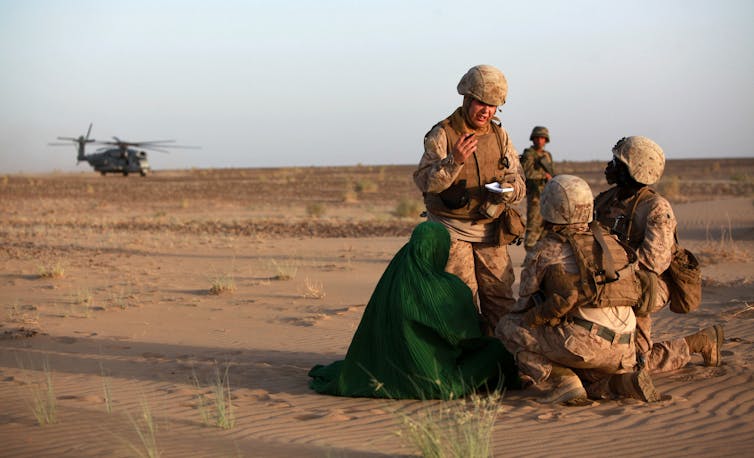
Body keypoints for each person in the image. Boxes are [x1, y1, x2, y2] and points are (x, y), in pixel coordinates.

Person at [308, 221, 520, 400]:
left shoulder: (392, 281)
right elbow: (466, 338)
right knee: (497, 351)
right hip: (435, 382)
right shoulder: (448, 289)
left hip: (383, 372)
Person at [495, 175, 660, 404]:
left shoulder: (548, 248)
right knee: (588, 366)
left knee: (507, 327)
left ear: (550, 206)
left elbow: (524, 303)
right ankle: (621, 382)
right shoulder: (612, 241)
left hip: (585, 345)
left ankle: (561, 380)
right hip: (626, 348)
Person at [594, 136, 723, 374]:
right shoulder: (604, 201)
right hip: (611, 280)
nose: (610, 166)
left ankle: (697, 343)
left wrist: (611, 277)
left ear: (635, 169)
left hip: (647, 284)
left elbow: (654, 261)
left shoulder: (656, 207)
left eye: (617, 162)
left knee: (636, 365)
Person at [413, 64, 526, 334]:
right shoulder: (443, 134)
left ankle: (499, 361)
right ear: (467, 98)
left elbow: (518, 179)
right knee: (460, 300)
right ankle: (464, 363)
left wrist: (509, 189)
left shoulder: (500, 135)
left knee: (500, 300)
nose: (486, 111)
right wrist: (455, 162)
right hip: (454, 231)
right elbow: (425, 182)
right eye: (481, 103)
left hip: (491, 230)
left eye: (493, 105)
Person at [520, 126, 555, 250]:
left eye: (542, 138)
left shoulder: (547, 155)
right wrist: (543, 175)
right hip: (535, 196)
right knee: (533, 225)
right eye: (537, 138)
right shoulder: (529, 154)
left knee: (546, 226)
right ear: (533, 139)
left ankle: (540, 256)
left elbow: (553, 174)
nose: (540, 141)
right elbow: (526, 172)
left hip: (547, 195)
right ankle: (529, 256)